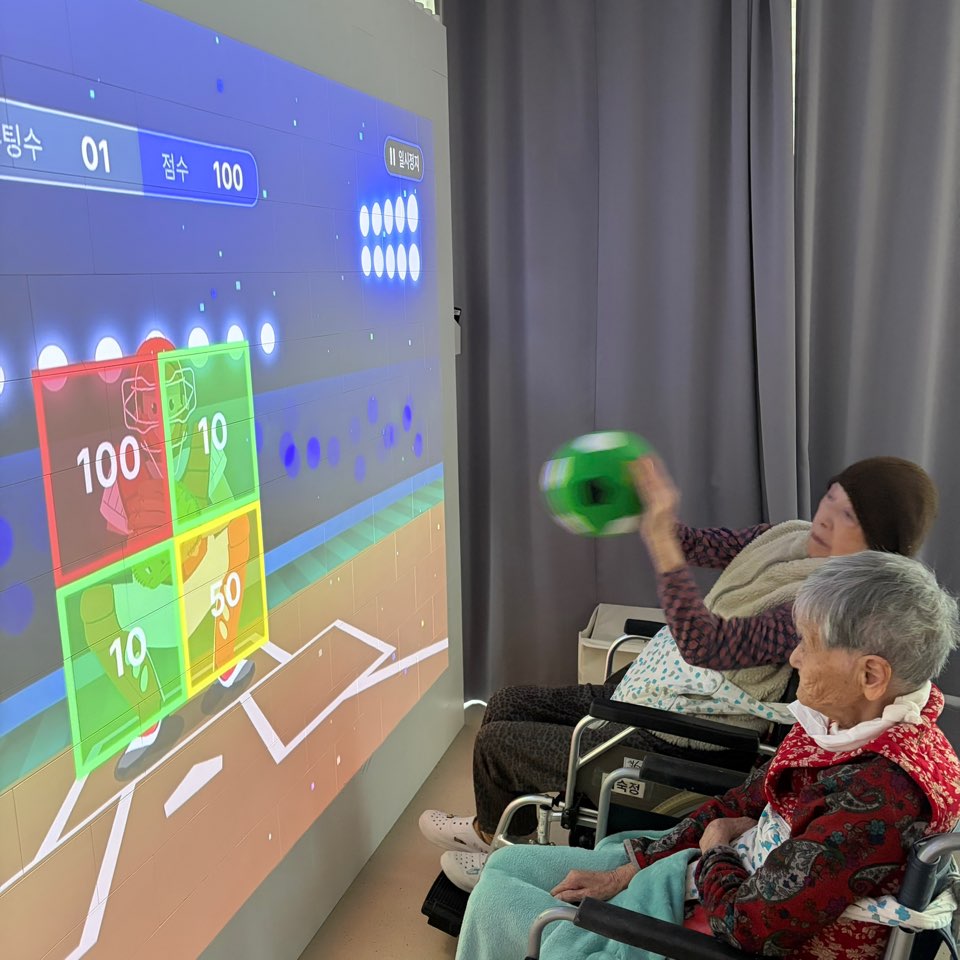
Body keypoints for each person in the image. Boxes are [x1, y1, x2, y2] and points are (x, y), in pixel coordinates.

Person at [420, 455, 939, 891]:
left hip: (692, 727)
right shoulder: (789, 536)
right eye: (830, 496)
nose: (825, 516)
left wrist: (664, 551)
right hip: (664, 686)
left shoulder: (827, 609)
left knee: (500, 744)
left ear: (879, 547)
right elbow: (700, 544)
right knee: (506, 702)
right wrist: (651, 512)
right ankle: (497, 828)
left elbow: (706, 645)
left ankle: (498, 852)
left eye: (847, 515)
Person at [455, 551, 960, 960]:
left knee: (496, 898)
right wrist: (631, 870)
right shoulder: (843, 724)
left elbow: (749, 928)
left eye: (808, 644)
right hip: (719, 880)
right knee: (509, 864)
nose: (794, 657)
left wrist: (715, 849)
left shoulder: (880, 796)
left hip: (724, 931)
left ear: (871, 675)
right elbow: (741, 802)